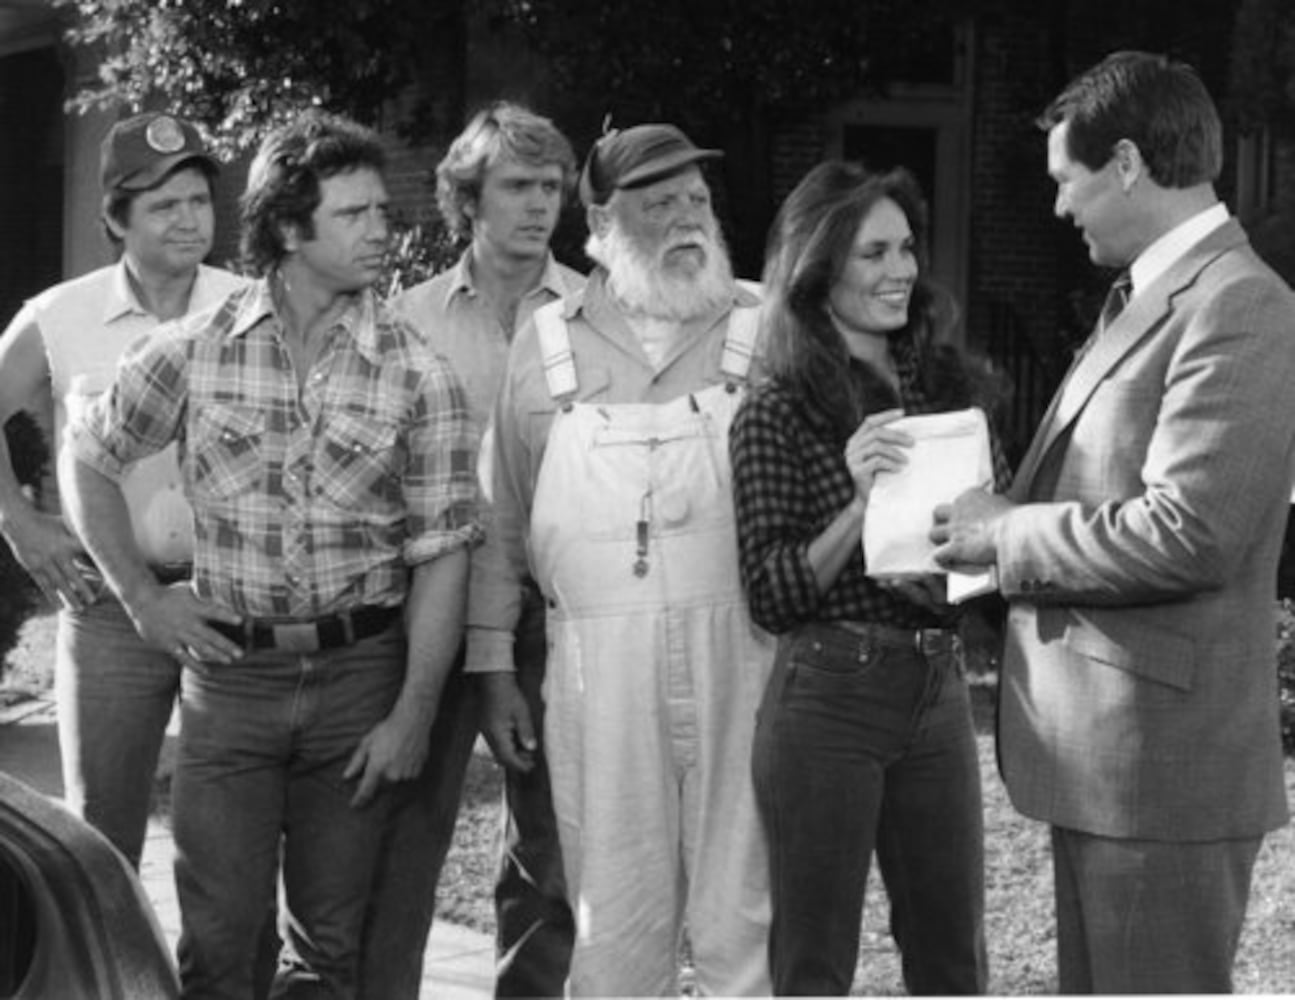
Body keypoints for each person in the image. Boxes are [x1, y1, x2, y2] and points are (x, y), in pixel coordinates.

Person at [60, 110, 482, 999]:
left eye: (381, 211)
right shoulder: (194, 350)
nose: (381, 229)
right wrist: (142, 599)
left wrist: (412, 715)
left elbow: (443, 555)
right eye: (354, 213)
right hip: (231, 681)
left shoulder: (420, 374)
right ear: (289, 229)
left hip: (360, 678)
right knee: (219, 943)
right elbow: (87, 458)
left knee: (328, 950)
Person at [931, 51, 1295, 994]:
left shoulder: (1241, 304)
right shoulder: (1153, 293)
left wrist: (1004, 535)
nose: (1059, 207)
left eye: (1067, 179)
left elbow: (1189, 532)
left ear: (1127, 162)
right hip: (1114, 766)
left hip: (1160, 774)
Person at [472, 122, 775, 995]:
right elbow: (501, 523)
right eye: (658, 202)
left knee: (746, 920)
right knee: (612, 920)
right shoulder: (544, 346)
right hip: (594, 670)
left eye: (696, 200)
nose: (686, 218)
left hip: (747, 655)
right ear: (601, 223)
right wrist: (493, 667)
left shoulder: (766, 327)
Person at [729, 161, 998, 996]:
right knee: (814, 966)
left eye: (906, 248)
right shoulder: (775, 407)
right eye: (873, 253)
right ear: (819, 270)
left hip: (938, 684)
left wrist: (985, 532)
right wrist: (857, 504)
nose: (900, 270)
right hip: (828, 695)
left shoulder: (944, 387)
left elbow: (986, 548)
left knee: (952, 960)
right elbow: (771, 594)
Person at [361, 100, 582, 1000]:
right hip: (425, 606)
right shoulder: (402, 320)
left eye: (552, 186)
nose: (539, 204)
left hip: (554, 610)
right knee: (404, 843)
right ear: (467, 198)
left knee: (549, 852)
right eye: (518, 185)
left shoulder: (596, 313)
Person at [0, 111, 245, 869]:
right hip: (108, 610)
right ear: (116, 219)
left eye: (198, 200)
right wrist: (18, 521)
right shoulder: (60, 316)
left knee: (231, 840)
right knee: (101, 841)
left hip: (232, 606)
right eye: (164, 205)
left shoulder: (253, 306)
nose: (189, 220)